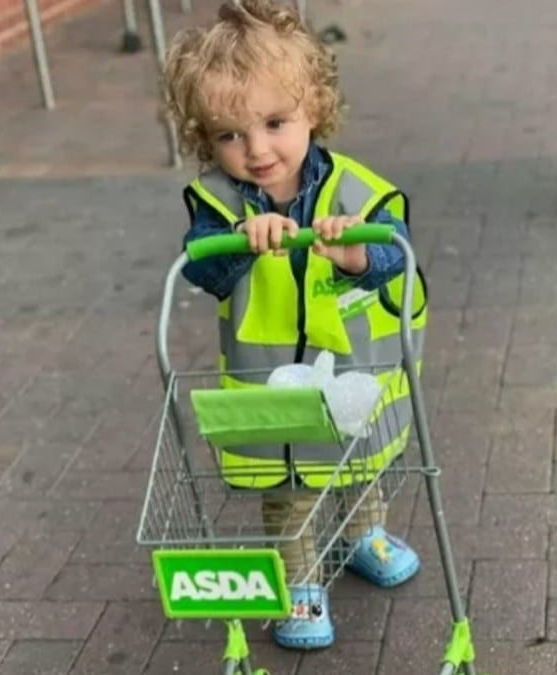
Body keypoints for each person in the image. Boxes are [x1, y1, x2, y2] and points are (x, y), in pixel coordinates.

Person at [162, 0, 427, 650]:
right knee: (289, 489)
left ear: (314, 110)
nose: (255, 150)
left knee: (359, 464)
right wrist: (239, 245)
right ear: (205, 138)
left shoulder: (356, 188)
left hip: (354, 380)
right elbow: (205, 274)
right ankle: (301, 581)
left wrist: (357, 252)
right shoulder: (218, 205)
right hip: (274, 387)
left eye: (276, 123)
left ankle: (364, 534)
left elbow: (395, 255)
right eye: (228, 134)